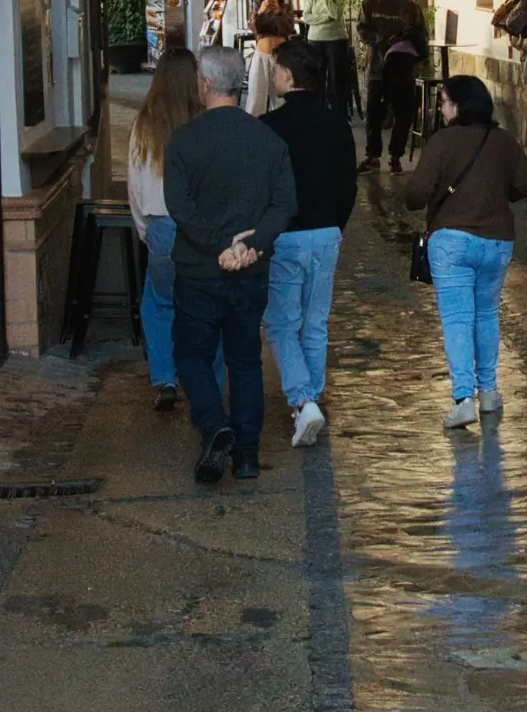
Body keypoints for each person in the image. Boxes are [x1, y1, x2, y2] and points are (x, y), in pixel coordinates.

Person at [163, 42, 297, 486]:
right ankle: (247, 455)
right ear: (240, 84)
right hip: (251, 272)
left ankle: (212, 423)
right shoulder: (270, 141)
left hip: (200, 271)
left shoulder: (183, 141)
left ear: (204, 84)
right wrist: (252, 244)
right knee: (244, 360)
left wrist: (219, 245)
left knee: (191, 354)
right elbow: (285, 204)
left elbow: (179, 207)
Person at [402, 74, 527, 434]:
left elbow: (415, 194)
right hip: (497, 242)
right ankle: (489, 392)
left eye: (444, 101)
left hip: (452, 242)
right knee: (487, 314)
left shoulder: (442, 142)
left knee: (458, 319)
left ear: (458, 105)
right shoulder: (505, 141)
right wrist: (496, 193)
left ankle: (464, 399)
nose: (441, 108)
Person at [263, 41, 359, 444]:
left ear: (287, 76)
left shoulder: (269, 126)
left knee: (282, 322)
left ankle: (304, 401)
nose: (273, 76)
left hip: (285, 235)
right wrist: (335, 225)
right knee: (315, 323)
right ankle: (311, 399)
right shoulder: (337, 124)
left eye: (276, 70)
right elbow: (348, 186)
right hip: (325, 233)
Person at [126, 38, 201, 411]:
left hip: (160, 227)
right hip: (200, 228)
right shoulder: (204, 122)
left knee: (158, 303)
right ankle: (202, 376)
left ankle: (166, 378)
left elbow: (135, 183)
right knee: (203, 302)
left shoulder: (144, 125)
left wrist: (146, 230)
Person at [361, 0, 429, 169]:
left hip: (402, 70)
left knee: (403, 113)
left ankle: (395, 156)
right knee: (374, 113)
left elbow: (421, 35)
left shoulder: (411, 7)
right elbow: (362, 29)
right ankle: (373, 155)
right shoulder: (370, 2)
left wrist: (403, 41)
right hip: (377, 68)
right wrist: (379, 40)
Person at [309, 0, 360, 125]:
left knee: (336, 78)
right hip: (315, 40)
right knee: (317, 78)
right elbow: (306, 17)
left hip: (336, 40)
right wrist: (324, 19)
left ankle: (340, 116)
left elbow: (335, 14)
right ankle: (317, 113)